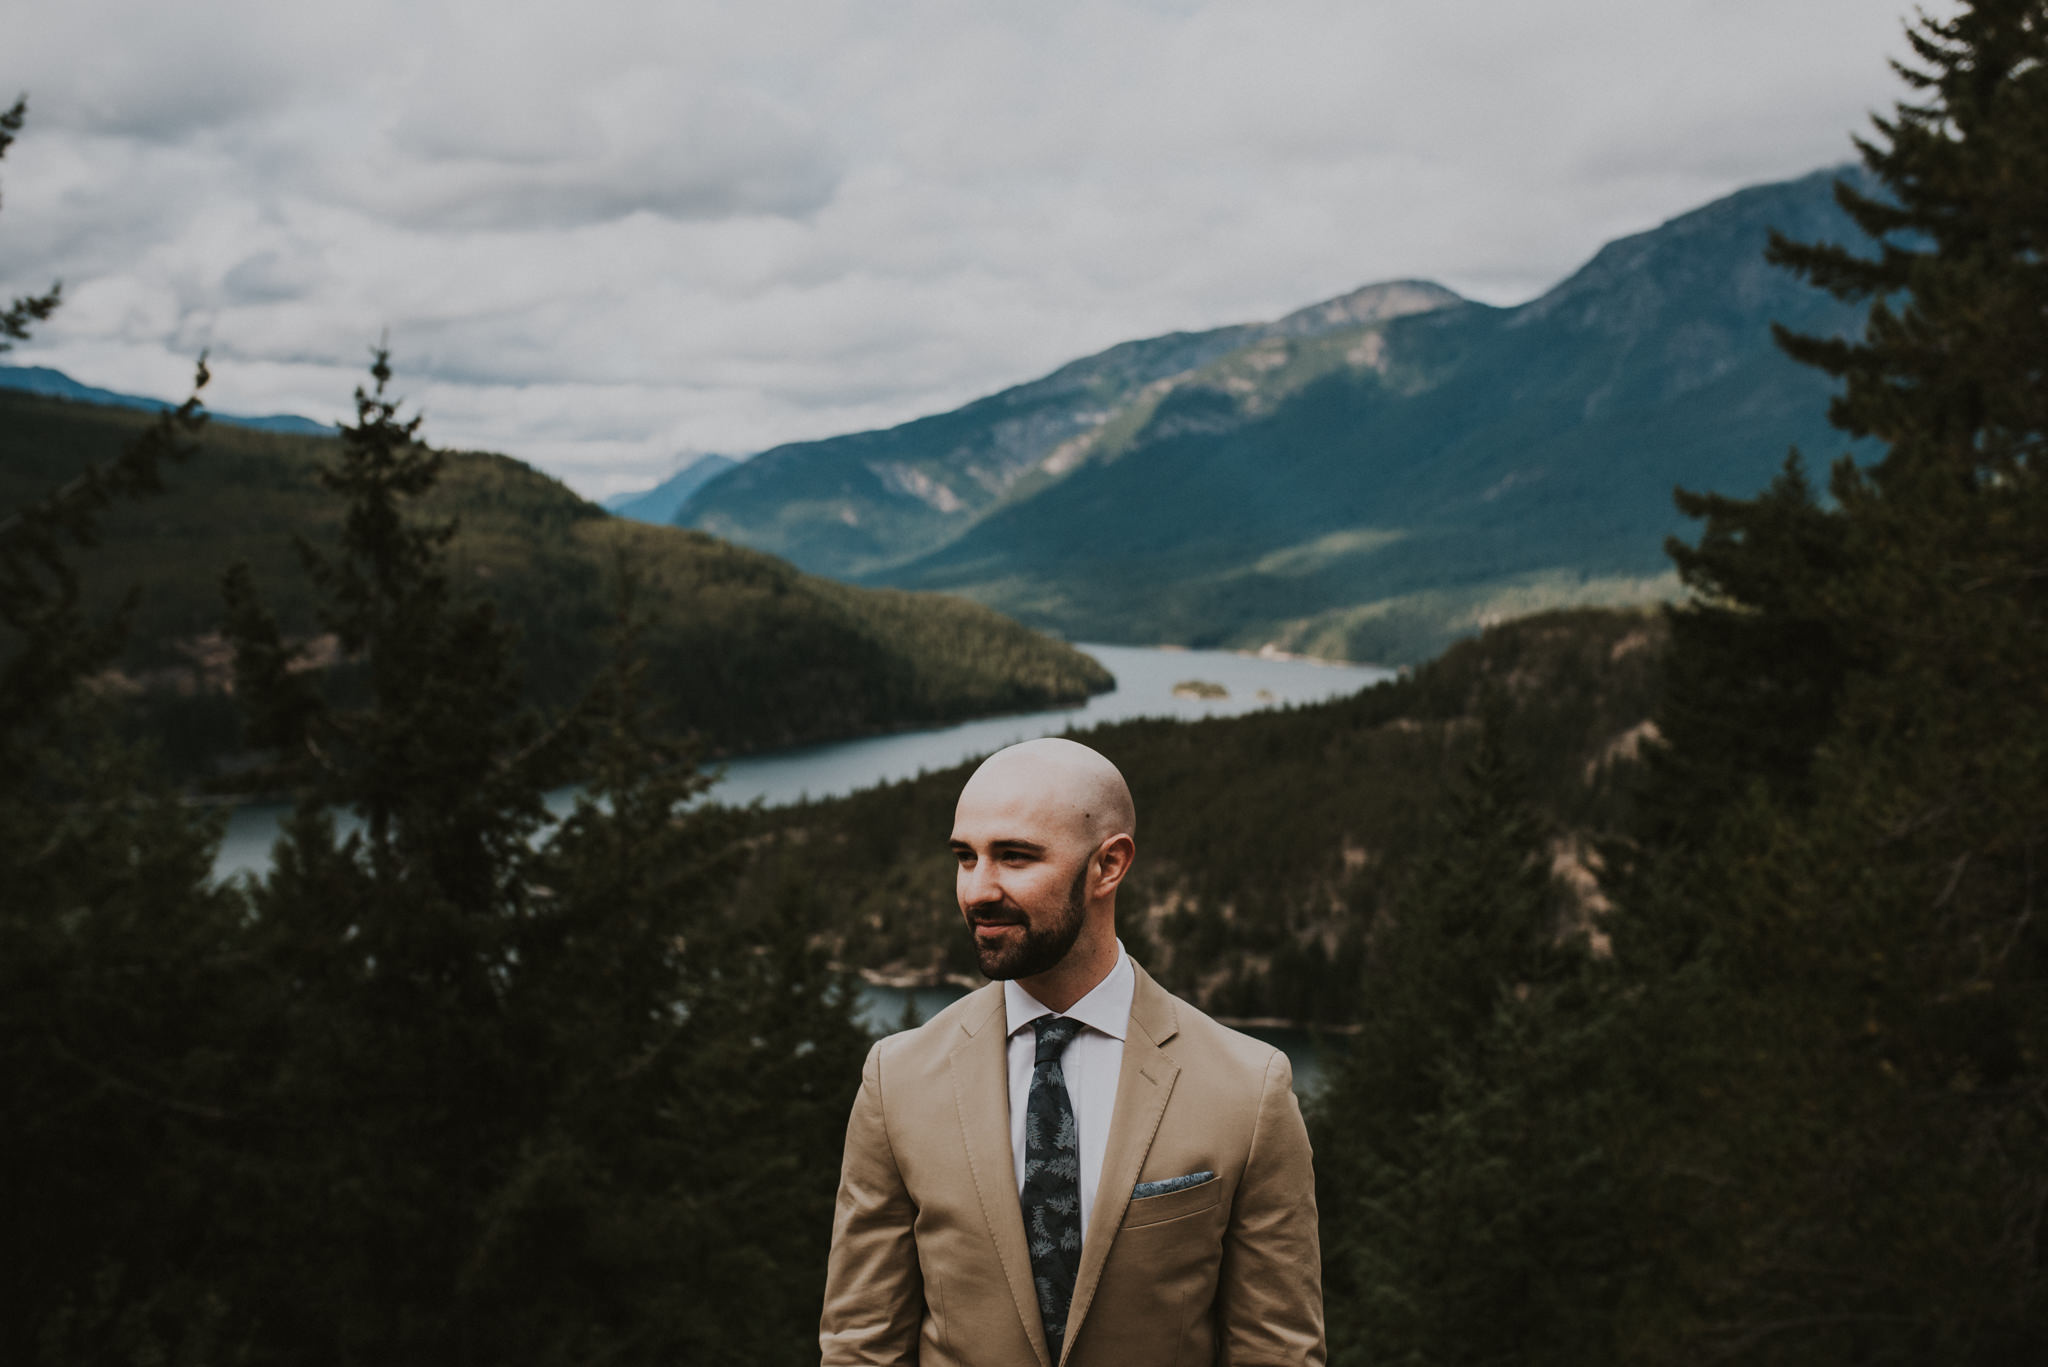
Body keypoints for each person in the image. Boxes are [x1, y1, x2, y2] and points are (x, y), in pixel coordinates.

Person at [819, 737, 1324, 1367]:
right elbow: (861, 1346)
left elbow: (1277, 1353)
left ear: (1108, 866)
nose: (977, 890)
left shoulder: (1250, 1091)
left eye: (1014, 857)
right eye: (965, 857)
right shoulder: (897, 1081)